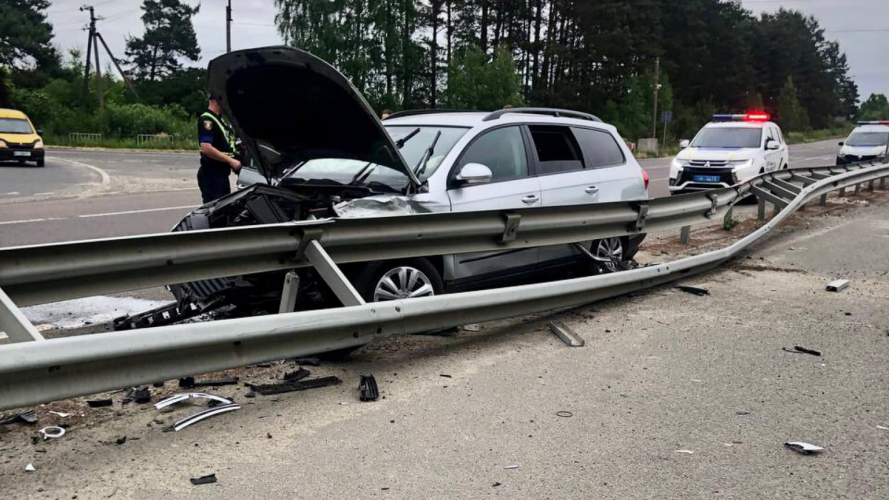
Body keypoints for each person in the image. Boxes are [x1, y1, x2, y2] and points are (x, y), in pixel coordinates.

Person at [197, 96, 241, 203]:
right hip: (212, 175)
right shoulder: (207, 120)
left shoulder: (220, 120)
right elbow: (206, 147)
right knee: (214, 212)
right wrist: (230, 160)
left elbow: (225, 145)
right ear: (217, 101)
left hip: (222, 174)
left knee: (225, 209)